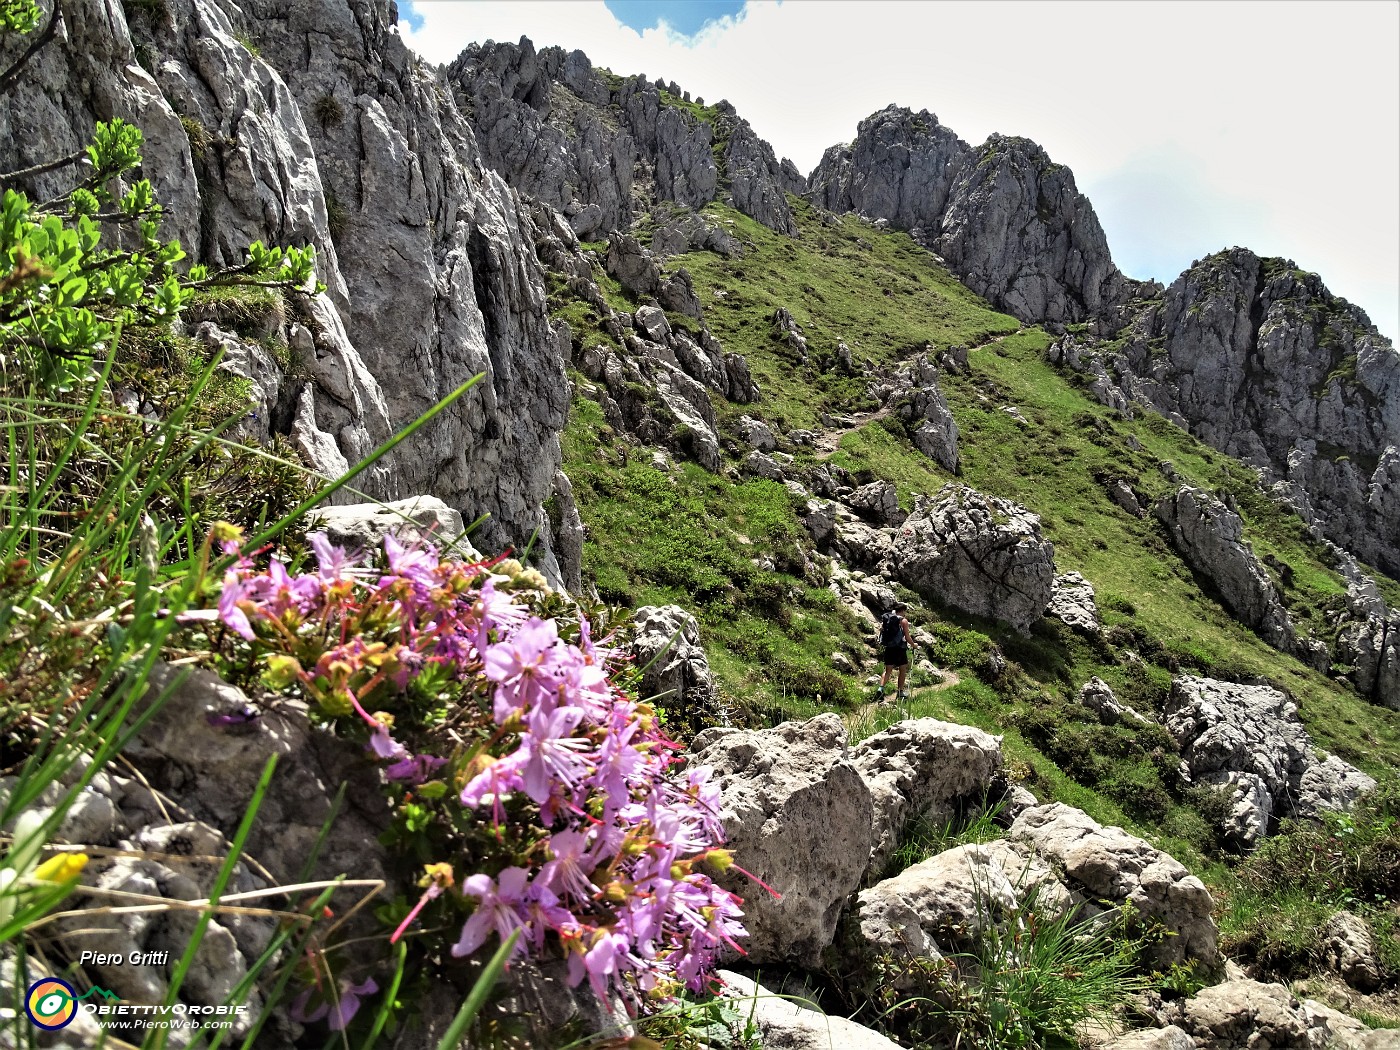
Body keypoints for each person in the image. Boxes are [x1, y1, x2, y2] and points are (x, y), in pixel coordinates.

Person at [877, 601, 913, 702]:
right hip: (900, 649)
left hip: (889, 648)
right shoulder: (903, 621)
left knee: (888, 671)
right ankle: (900, 692)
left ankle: (881, 688)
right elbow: (907, 636)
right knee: (902, 670)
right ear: (902, 611)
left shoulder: (887, 619)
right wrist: (914, 645)